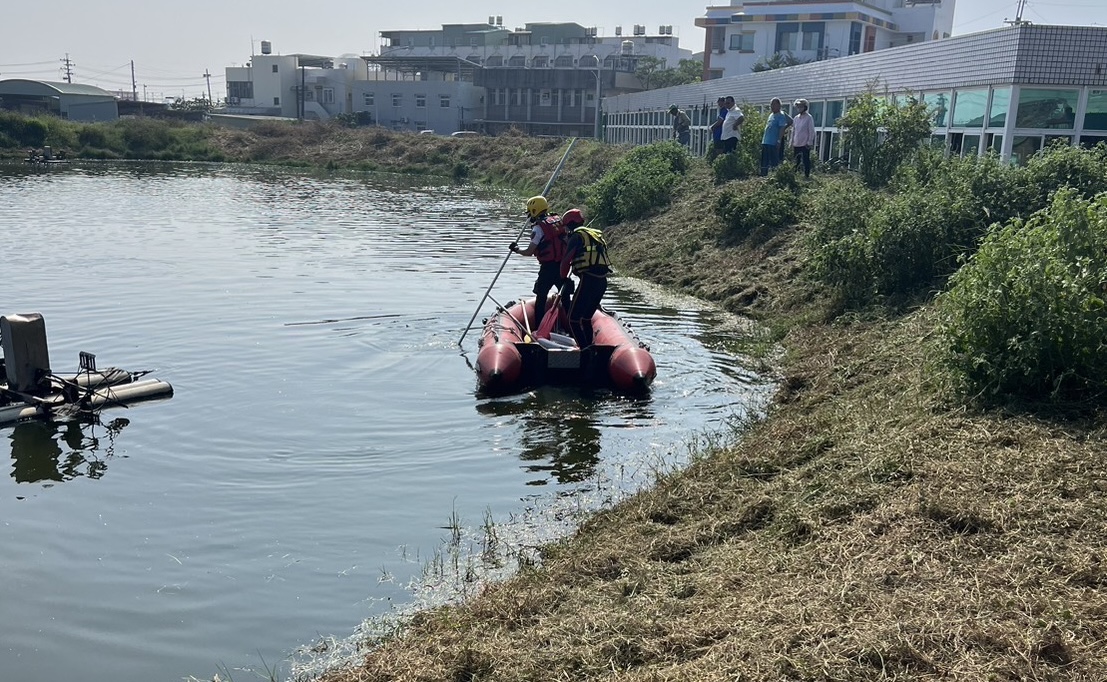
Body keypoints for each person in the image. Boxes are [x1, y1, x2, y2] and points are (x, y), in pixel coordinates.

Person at [509, 195, 570, 325]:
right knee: (565, 298)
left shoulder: (538, 228)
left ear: (534, 211)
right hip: (562, 267)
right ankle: (572, 325)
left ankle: (538, 328)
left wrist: (516, 249)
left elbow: (529, 252)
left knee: (541, 297)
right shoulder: (557, 221)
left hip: (547, 268)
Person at [559, 209, 610, 348]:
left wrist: (563, 278)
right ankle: (590, 348)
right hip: (602, 282)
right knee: (586, 319)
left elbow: (565, 262)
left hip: (588, 281)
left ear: (570, 224)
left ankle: (584, 351)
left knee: (573, 319)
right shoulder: (594, 235)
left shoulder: (576, 237)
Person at [761, 97, 793, 175]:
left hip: (773, 142)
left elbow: (783, 127)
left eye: (774, 104)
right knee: (764, 160)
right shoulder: (771, 115)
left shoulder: (781, 115)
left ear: (779, 105)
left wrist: (779, 140)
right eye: (771, 104)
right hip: (766, 141)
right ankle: (763, 175)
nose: (772, 106)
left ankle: (775, 175)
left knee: (774, 161)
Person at [790, 98, 816, 178]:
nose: (799, 108)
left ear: (805, 107)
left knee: (805, 160)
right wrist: (791, 142)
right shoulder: (796, 118)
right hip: (796, 143)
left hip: (805, 144)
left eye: (801, 106)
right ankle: (794, 175)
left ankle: (806, 175)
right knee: (796, 161)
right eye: (798, 106)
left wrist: (809, 142)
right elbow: (793, 131)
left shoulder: (809, 118)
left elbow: (811, 131)